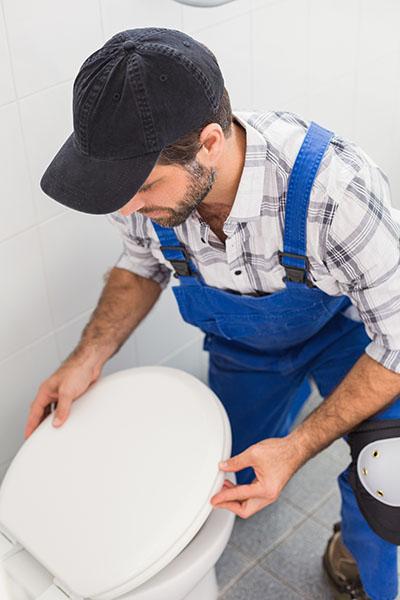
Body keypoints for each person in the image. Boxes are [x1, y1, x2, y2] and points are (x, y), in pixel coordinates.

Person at [25, 27, 400, 600]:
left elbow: (398, 340)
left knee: (389, 478)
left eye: (143, 187)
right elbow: (140, 263)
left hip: (349, 337)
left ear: (208, 143)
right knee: (226, 486)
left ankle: (356, 547)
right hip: (245, 353)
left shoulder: (336, 191)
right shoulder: (142, 196)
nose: (128, 207)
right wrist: (87, 356)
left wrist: (298, 448)